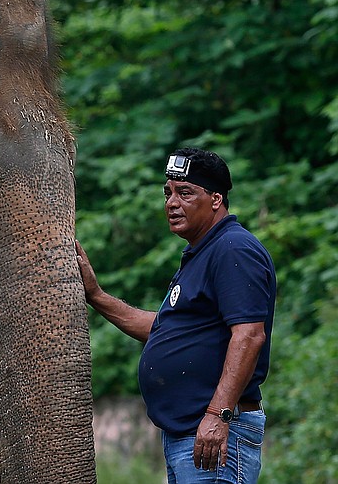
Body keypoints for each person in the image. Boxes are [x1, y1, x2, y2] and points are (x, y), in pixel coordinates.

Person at [76, 147, 276, 483]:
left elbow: (250, 335)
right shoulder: (201, 253)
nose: (171, 202)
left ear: (216, 199)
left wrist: (218, 415)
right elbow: (165, 329)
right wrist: (96, 296)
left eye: (185, 193)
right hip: (189, 433)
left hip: (216, 432)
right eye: (168, 192)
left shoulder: (233, 248)